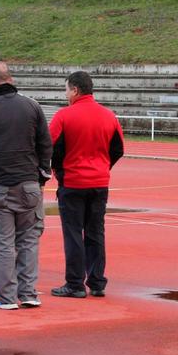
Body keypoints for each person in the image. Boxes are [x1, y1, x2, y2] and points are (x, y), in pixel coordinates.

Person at [0, 61, 53, 310]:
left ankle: (5, 297)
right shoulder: (32, 106)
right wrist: (42, 177)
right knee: (28, 241)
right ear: (10, 79)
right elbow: (45, 144)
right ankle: (28, 293)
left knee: (2, 243)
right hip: (28, 185)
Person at [48, 70, 125, 299]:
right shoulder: (109, 116)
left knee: (73, 233)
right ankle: (97, 281)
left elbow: (48, 146)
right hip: (99, 182)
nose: (65, 94)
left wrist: (59, 171)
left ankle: (75, 283)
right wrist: (103, 166)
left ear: (75, 90)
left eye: (66, 89)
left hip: (72, 182)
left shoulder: (64, 116)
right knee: (95, 232)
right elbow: (118, 148)